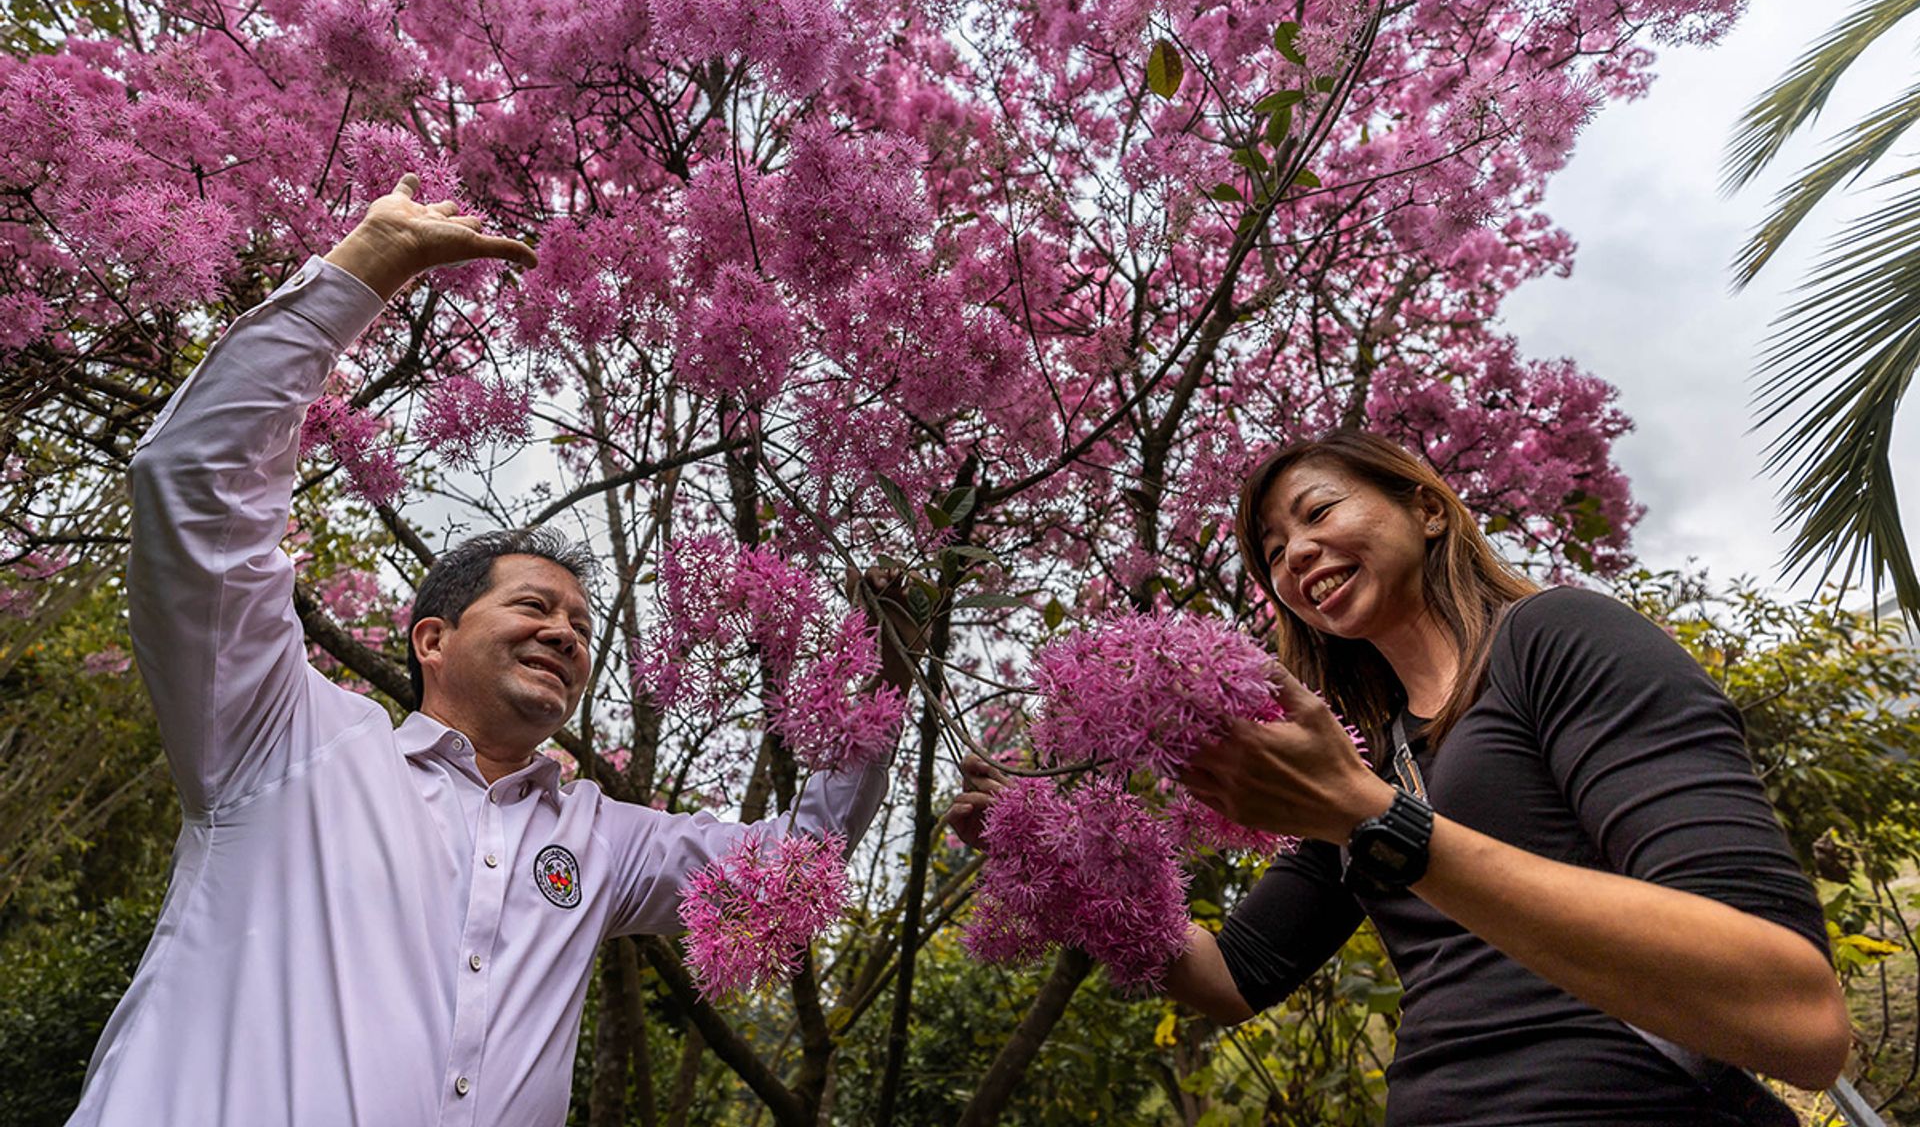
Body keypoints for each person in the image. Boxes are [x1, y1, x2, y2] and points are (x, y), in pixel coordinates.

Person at [70, 176, 913, 1127]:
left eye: (583, 627)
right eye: (533, 606)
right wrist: (365, 268)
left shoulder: (598, 841)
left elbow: (795, 867)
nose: (564, 633)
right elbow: (193, 488)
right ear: (433, 638)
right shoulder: (283, 744)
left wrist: (879, 679)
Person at [950, 430, 1850, 1125]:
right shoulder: (1367, 762)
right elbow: (1227, 976)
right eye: (1270, 551)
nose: (1293, 554)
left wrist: (1381, 825)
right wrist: (1070, 866)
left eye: (1317, 512)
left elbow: (1795, 1015)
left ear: (1425, 507)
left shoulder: (1557, 638)